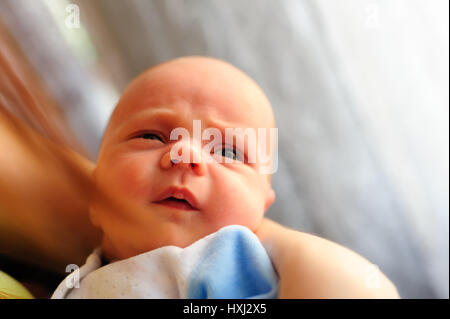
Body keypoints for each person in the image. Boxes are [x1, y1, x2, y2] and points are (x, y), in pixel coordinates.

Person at [52, 56, 399, 298]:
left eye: (228, 152)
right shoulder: (76, 275)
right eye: (152, 137)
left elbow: (357, 288)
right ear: (94, 189)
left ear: (261, 207)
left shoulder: (229, 262)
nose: (185, 155)